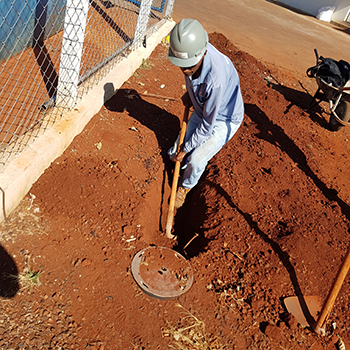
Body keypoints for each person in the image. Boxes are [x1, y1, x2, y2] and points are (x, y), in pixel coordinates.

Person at [168, 19, 244, 208]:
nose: (185, 70)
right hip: (204, 107)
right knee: (174, 151)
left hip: (223, 119)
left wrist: (186, 150)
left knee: (195, 159)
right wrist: (190, 93)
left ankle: (185, 187)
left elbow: (207, 127)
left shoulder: (215, 79)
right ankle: (177, 169)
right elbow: (194, 77)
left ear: (201, 54)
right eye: (181, 66)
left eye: (189, 67)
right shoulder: (193, 47)